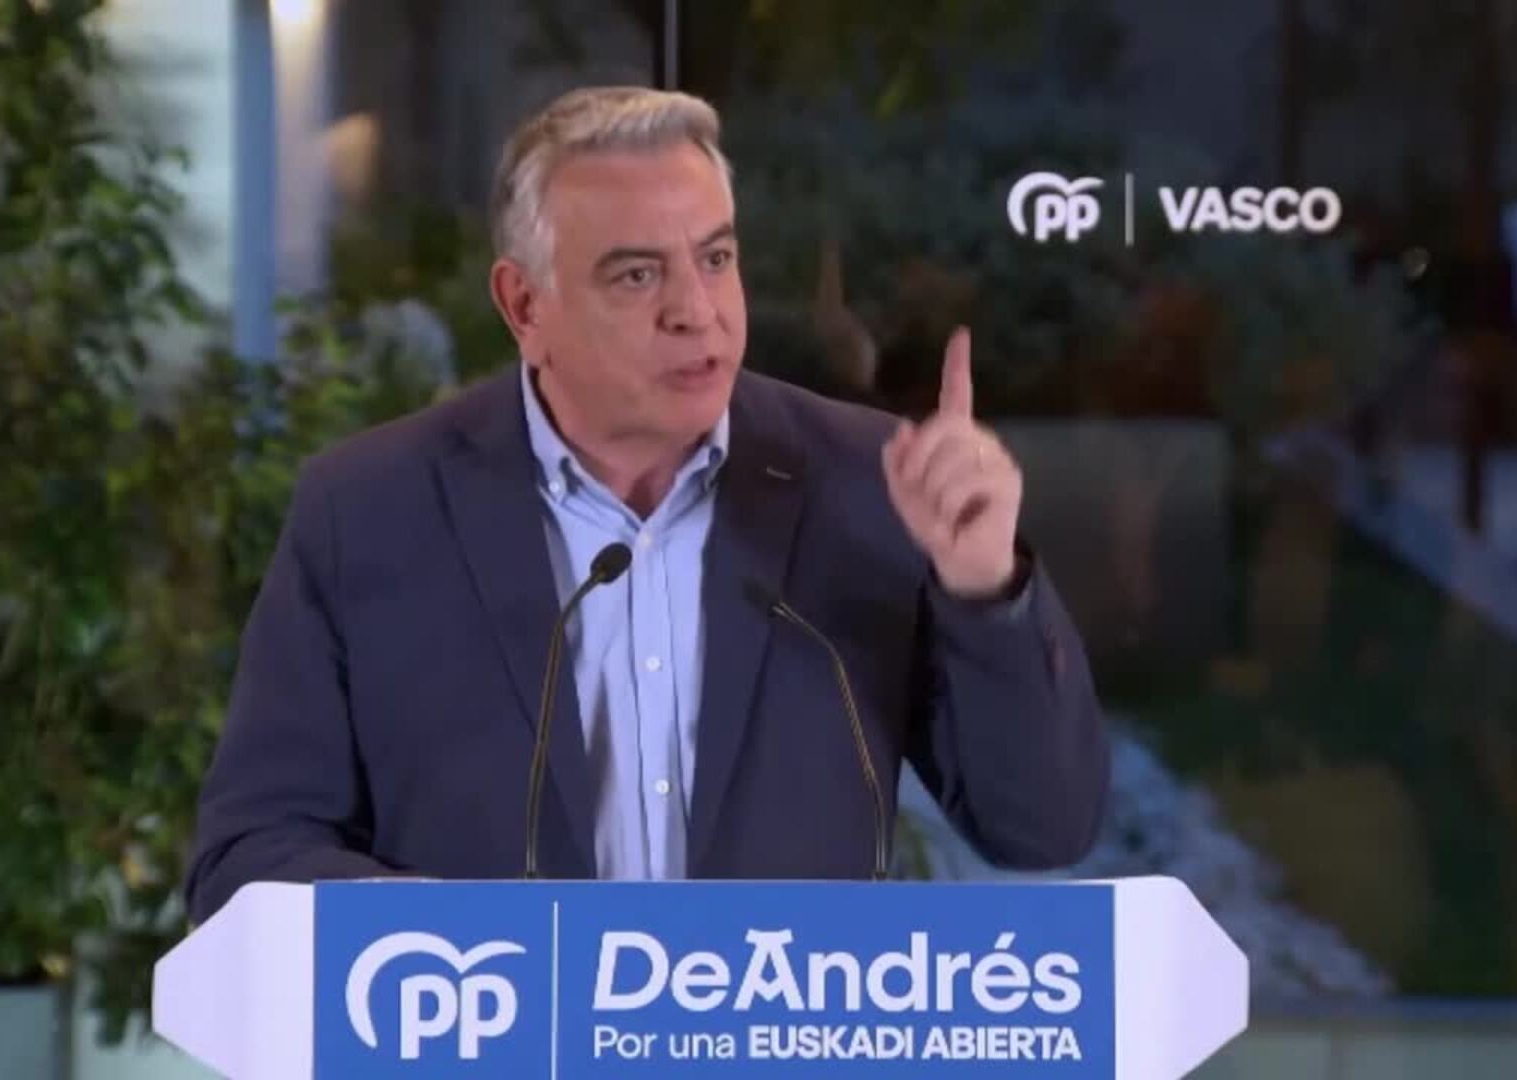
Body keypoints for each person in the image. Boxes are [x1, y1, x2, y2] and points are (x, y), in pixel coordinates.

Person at [183, 86, 1109, 923]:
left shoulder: (867, 484)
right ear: (523, 306)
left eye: (716, 258)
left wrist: (985, 587)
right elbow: (248, 861)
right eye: (637, 275)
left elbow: (1043, 828)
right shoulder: (369, 512)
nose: (697, 310)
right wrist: (447, 947)